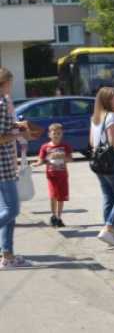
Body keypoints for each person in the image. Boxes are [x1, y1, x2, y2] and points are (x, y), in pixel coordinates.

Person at [0, 67, 32, 268]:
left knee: (7, 211)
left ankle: (7, 256)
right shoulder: (2, 103)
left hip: (5, 162)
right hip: (4, 164)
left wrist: (16, 128)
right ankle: (7, 255)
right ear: (5, 83)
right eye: (10, 83)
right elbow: (1, 137)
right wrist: (18, 134)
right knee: (12, 209)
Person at [90, 86, 114, 248]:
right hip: (112, 163)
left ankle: (109, 232)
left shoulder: (96, 117)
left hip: (98, 162)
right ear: (108, 100)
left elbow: (92, 142)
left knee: (108, 197)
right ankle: (109, 228)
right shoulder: (111, 116)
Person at [33, 123, 73, 227]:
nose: (56, 135)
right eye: (54, 133)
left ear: (62, 134)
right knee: (53, 196)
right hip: (51, 176)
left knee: (61, 197)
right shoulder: (45, 146)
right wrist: (36, 164)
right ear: (49, 134)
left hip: (63, 175)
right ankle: (53, 215)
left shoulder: (65, 146)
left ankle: (59, 217)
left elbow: (70, 159)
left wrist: (62, 156)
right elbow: (40, 160)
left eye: (58, 133)